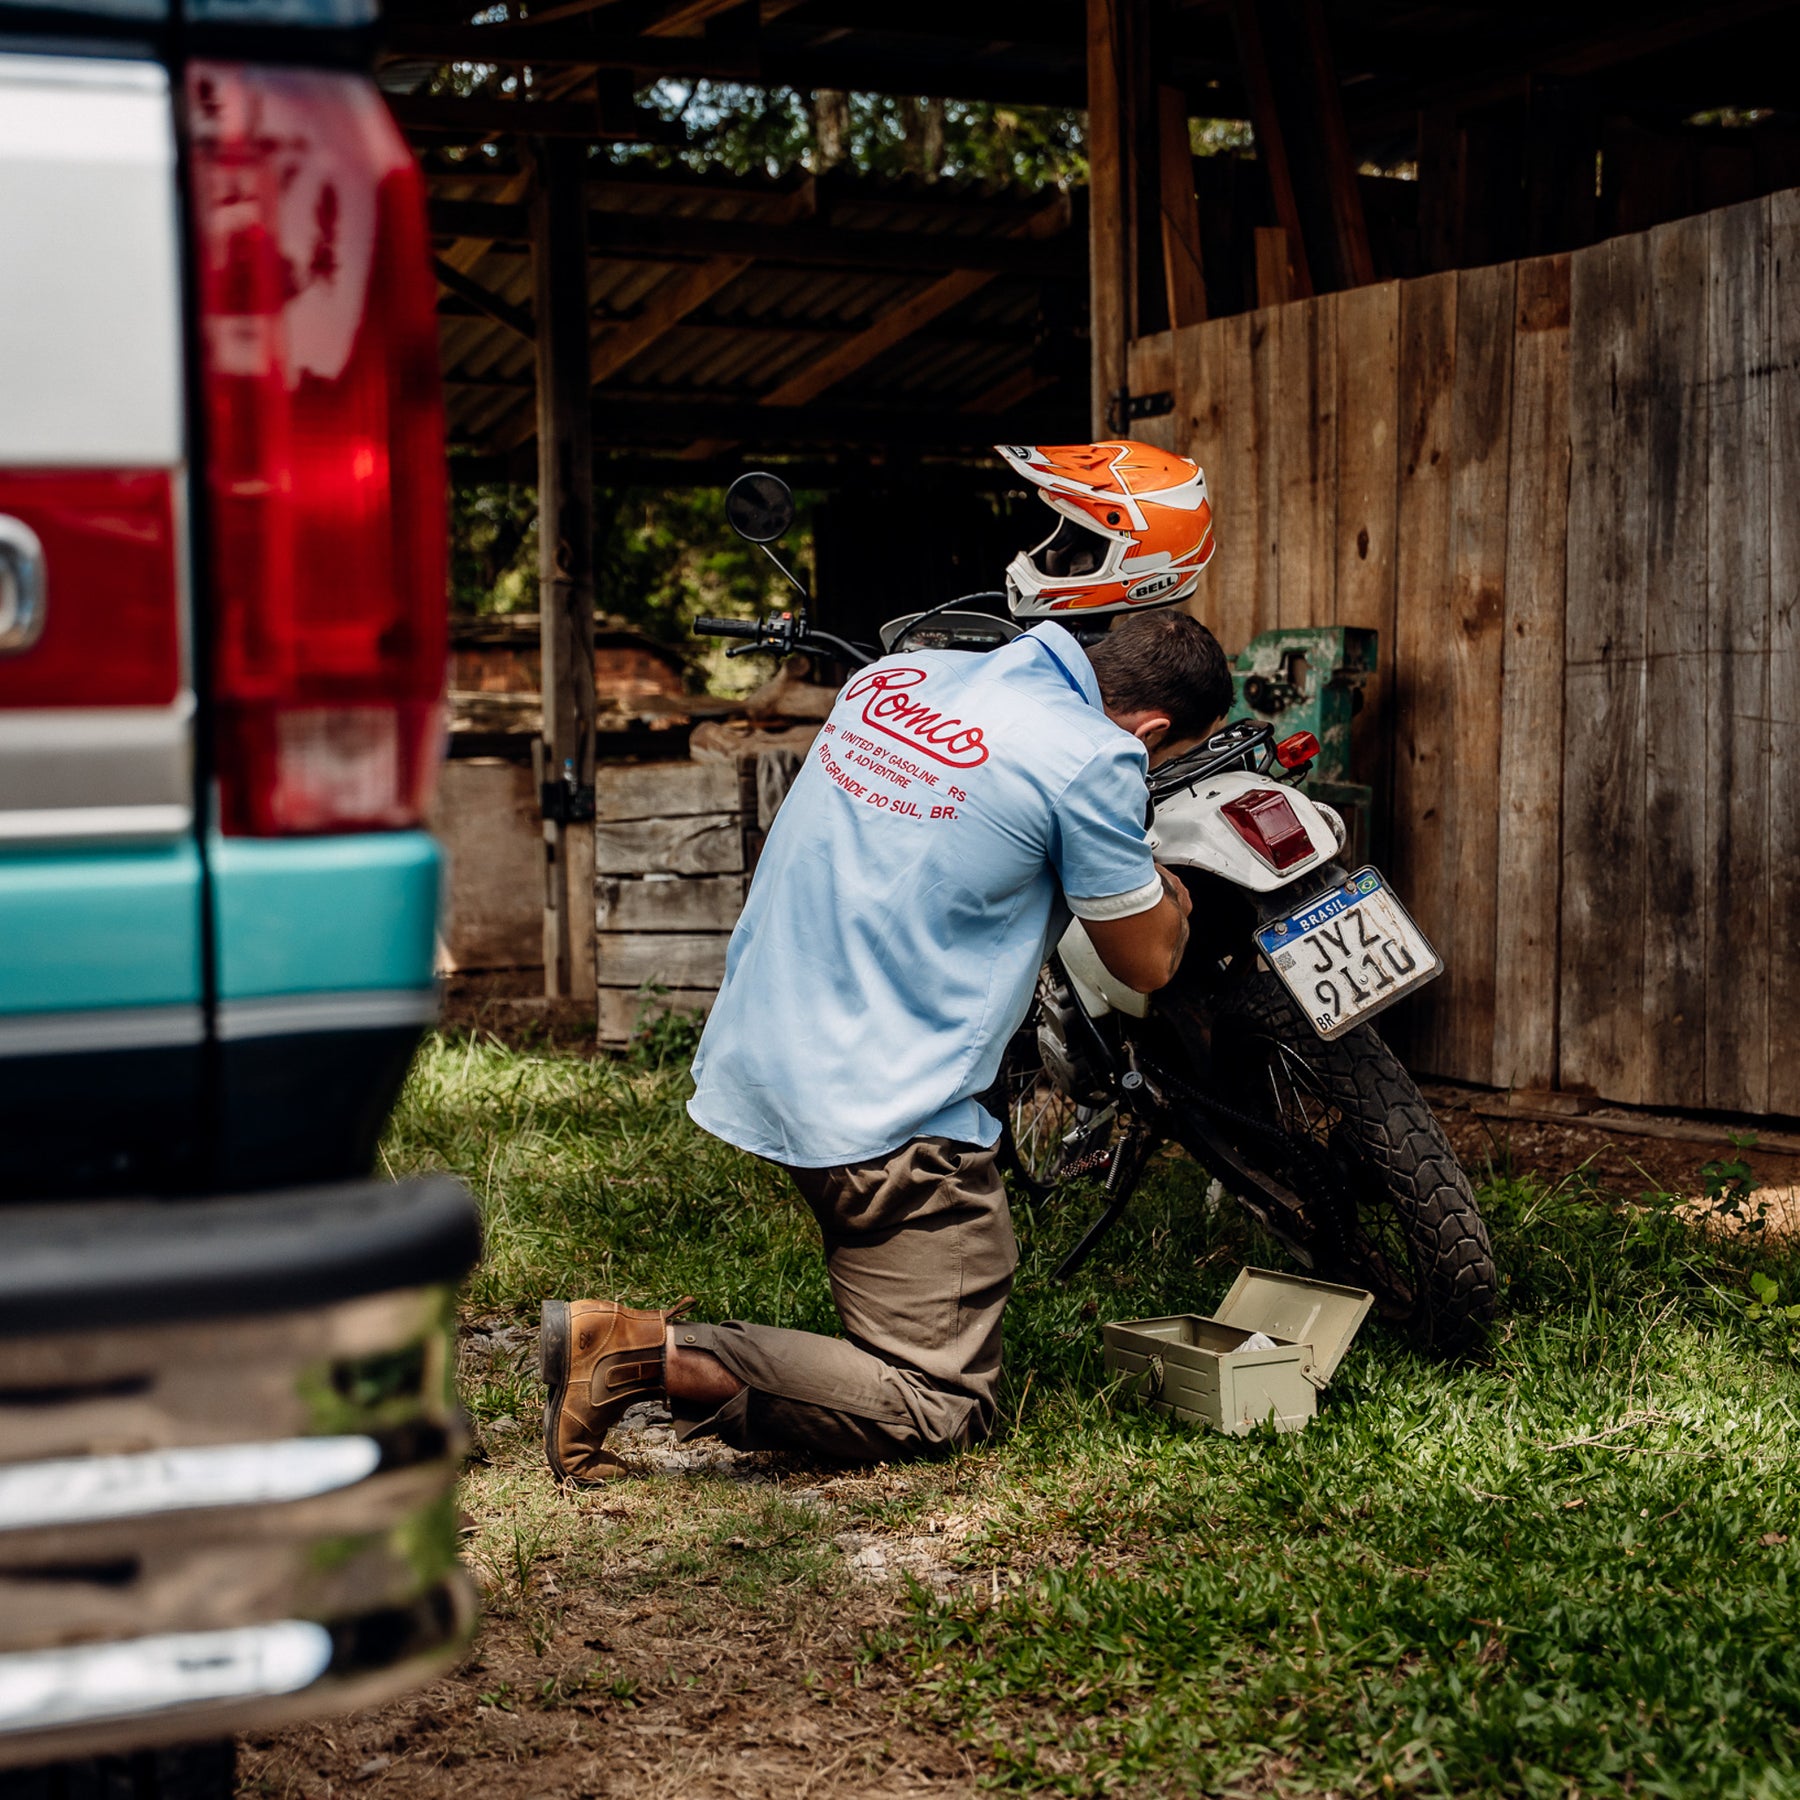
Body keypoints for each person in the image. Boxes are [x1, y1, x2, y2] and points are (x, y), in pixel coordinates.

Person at [541, 440, 1230, 1484]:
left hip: (770, 1055)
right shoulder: (1089, 754)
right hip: (884, 1115)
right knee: (938, 1404)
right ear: (1149, 727)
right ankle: (633, 1355)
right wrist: (1168, 890)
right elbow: (1143, 965)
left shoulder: (900, 678)